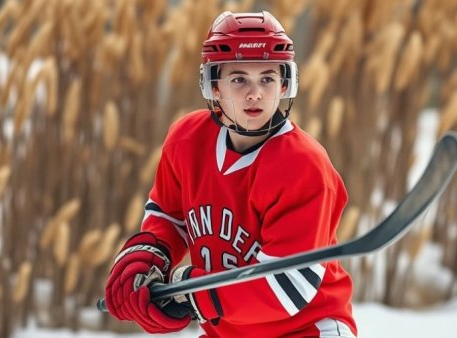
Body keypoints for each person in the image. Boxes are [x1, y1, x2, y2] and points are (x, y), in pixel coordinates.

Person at [104, 11, 357, 337]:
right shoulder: (186, 140)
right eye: (239, 79)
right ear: (214, 86)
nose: (255, 93)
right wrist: (150, 256)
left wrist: (192, 294)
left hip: (306, 328)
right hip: (228, 330)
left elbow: (288, 288)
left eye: (266, 78)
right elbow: (170, 215)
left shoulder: (305, 166)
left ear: (283, 84)